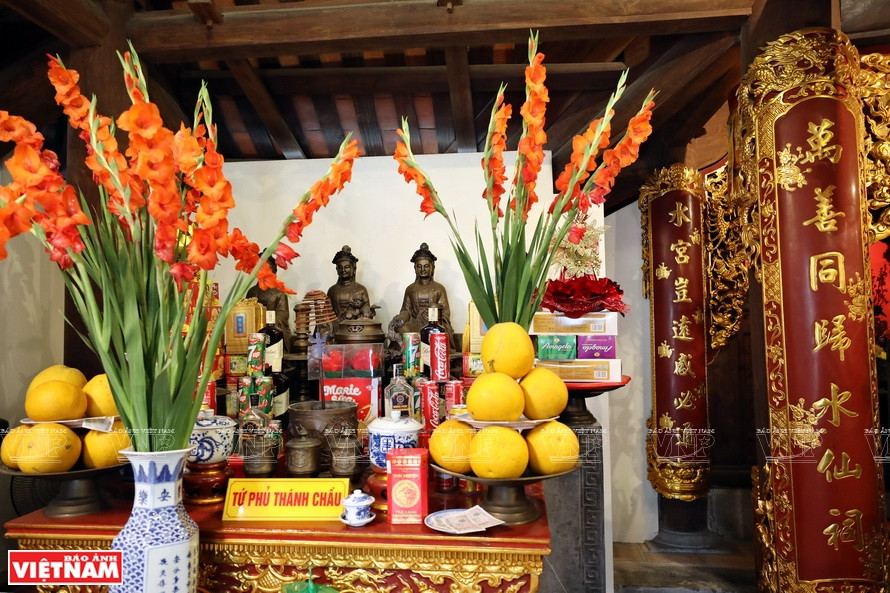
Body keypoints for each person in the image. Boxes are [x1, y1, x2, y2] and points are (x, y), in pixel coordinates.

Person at [387, 243, 457, 350]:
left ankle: (428, 354)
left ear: (432, 268)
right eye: (419, 266)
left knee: (436, 332)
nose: (422, 269)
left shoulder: (439, 288)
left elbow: (446, 312)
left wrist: (433, 317)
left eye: (426, 266)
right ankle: (413, 355)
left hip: (433, 324)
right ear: (415, 268)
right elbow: (406, 310)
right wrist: (401, 317)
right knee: (403, 328)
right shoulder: (410, 289)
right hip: (415, 323)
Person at [246, 255, 292, 352]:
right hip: (253, 329)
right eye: (261, 268)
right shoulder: (252, 292)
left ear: (273, 271)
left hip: (272, 332)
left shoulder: (278, 293)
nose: (264, 271)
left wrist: (266, 322)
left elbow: (283, 315)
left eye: (268, 268)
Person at [327, 245, 376, 325]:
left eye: (346, 267)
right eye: (340, 267)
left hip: (355, 329)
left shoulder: (361, 289)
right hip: (336, 328)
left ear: (354, 269)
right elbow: (327, 313)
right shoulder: (332, 290)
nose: (343, 270)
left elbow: (367, 313)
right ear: (336, 270)